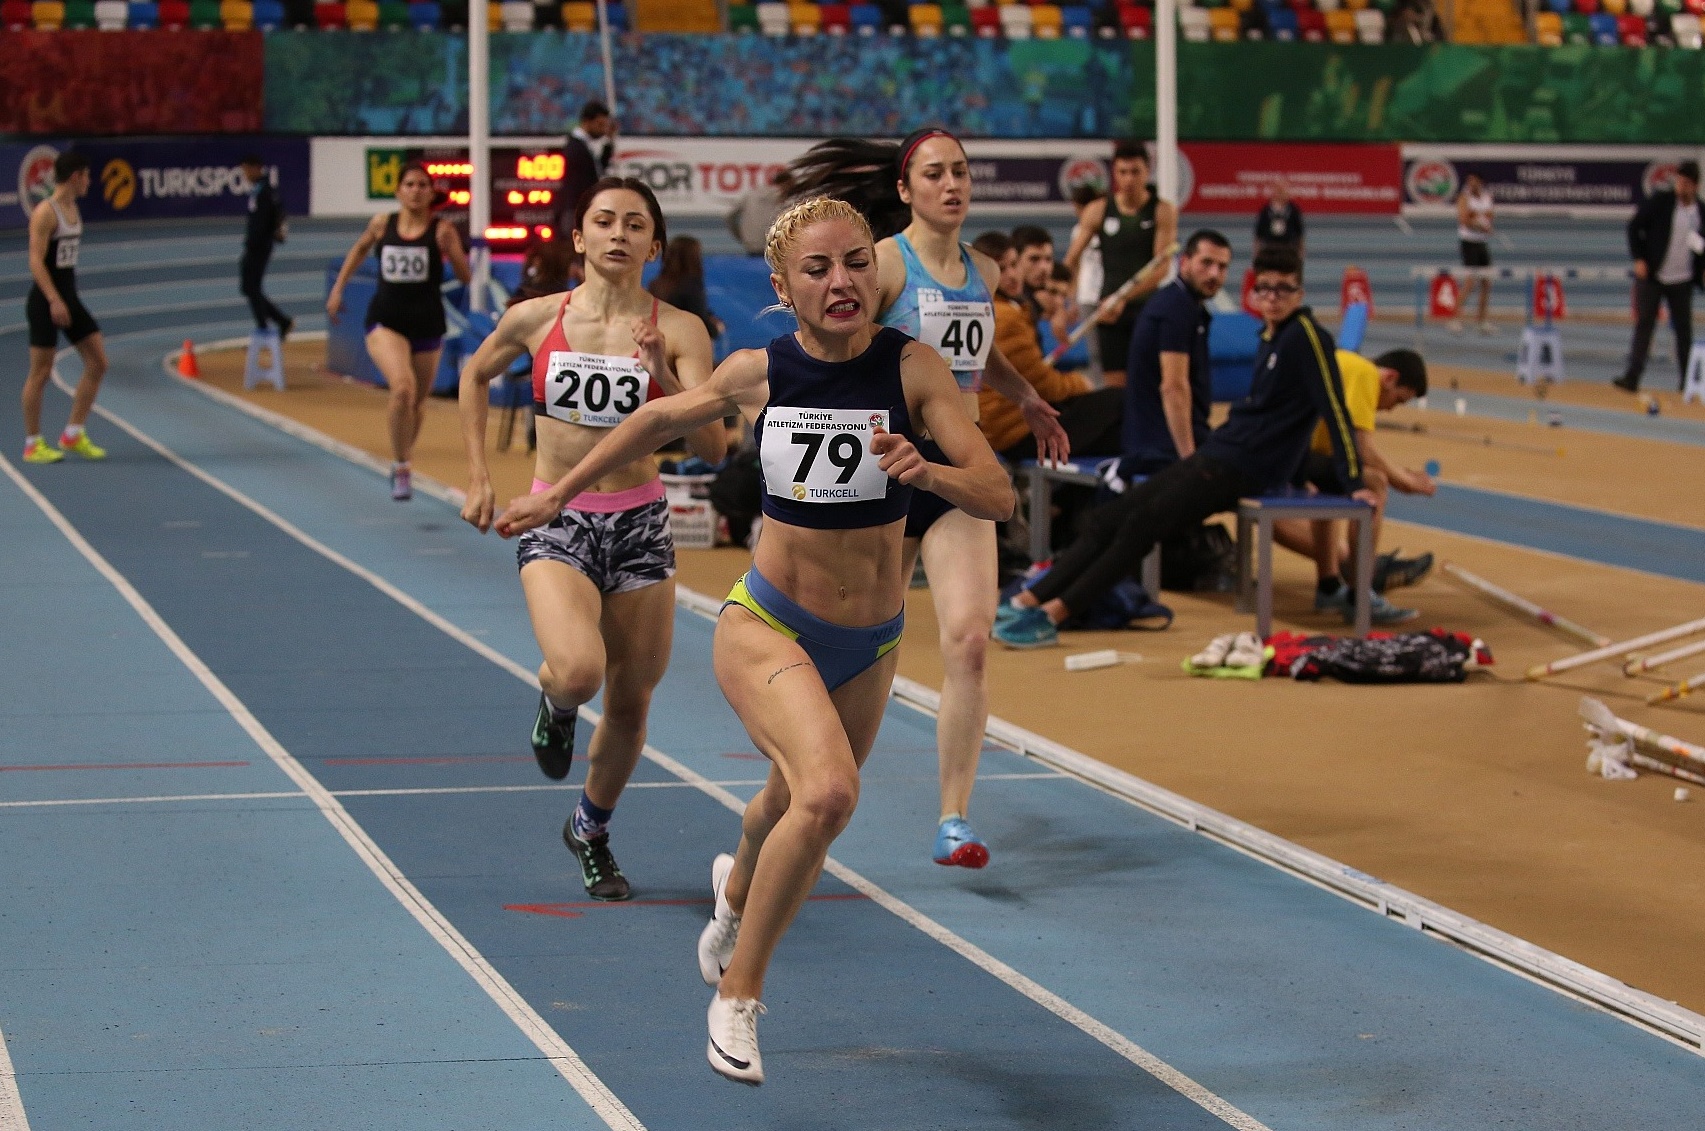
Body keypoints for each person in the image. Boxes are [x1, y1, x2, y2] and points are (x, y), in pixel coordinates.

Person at [491, 197, 1012, 1085]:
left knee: (782, 803)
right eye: (816, 269)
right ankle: (738, 995)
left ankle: (733, 895)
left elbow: (997, 493)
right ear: (782, 286)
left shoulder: (913, 367)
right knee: (829, 793)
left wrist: (927, 468)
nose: (841, 281)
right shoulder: (757, 369)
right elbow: (657, 422)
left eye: (854, 262)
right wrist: (557, 492)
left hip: (872, 639)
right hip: (765, 622)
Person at [787, 128, 1069, 869]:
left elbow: (977, 351)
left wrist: (1026, 396)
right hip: (881, 472)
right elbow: (833, 339)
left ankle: (953, 816)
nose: (953, 185)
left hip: (955, 472)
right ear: (905, 189)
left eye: (962, 172)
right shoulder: (881, 262)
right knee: (845, 650)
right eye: (935, 174)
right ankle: (796, 794)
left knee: (970, 639)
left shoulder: (984, 267)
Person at [459, 178, 725, 902]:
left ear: (653, 245)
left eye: (633, 224)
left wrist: (663, 373)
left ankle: (590, 829)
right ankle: (557, 701)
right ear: (577, 238)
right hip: (558, 518)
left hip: (640, 522)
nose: (617, 233)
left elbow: (715, 444)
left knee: (633, 702)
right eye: (602, 221)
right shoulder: (534, 317)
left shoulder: (680, 328)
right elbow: (473, 373)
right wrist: (480, 476)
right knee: (578, 669)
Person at [995, 244, 1374, 649]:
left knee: (1142, 524)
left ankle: (1053, 615)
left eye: (1284, 290)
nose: (1273, 298)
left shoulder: (1308, 337)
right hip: (1222, 451)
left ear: (1299, 294)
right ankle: (1026, 598)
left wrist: (1352, 483)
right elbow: (1275, 415)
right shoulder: (1269, 336)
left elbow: (1334, 411)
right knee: (1111, 516)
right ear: (1254, 292)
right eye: (1266, 289)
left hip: (1241, 466)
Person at [326, 161, 472, 501]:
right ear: (398, 191)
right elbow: (360, 249)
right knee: (403, 389)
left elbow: (466, 277)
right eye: (410, 184)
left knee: (417, 403)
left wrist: (455, 253)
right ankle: (401, 464)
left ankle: (403, 456)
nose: (416, 190)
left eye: (423, 185)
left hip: (427, 322)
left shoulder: (441, 230)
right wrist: (338, 288)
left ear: (431, 192)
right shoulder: (382, 224)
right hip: (385, 320)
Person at [1271, 348, 1435, 624]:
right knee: (1375, 483)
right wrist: (1403, 481)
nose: (1390, 409)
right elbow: (1363, 448)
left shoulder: (1344, 364)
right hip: (1284, 453)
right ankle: (1361, 594)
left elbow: (1339, 452)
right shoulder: (1366, 374)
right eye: (1397, 399)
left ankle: (1329, 584)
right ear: (1390, 377)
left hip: (1281, 448)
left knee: (1336, 482)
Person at [971, 231, 1121, 464]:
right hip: (1019, 432)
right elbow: (1041, 385)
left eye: (1013, 265)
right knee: (1119, 403)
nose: (1012, 275)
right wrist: (1083, 384)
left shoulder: (1007, 307)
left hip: (1009, 426)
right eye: (1001, 269)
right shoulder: (1005, 315)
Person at [1063, 141, 1177, 388]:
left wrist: (1124, 298)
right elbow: (1070, 260)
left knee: (1148, 383)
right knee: (1114, 386)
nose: (1129, 179)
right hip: (1108, 310)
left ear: (1148, 171)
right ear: (1114, 173)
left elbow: (1161, 268)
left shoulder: (1162, 211)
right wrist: (1063, 304)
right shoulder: (1097, 210)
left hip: (1145, 308)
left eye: (1135, 172)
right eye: (1122, 172)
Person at [1120, 229, 1230, 481]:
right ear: (1185, 262)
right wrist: (1189, 461)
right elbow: (1173, 387)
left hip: (1163, 442)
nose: (1214, 273)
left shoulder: (1186, 305)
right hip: (1162, 449)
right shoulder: (1176, 310)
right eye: (1206, 263)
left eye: (1222, 267)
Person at [21, 150, 107, 464]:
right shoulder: (46, 212)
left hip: (69, 298)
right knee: (40, 372)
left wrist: (65, 299)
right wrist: (54, 299)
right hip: (47, 301)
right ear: (75, 176)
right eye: (87, 175)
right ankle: (33, 443)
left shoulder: (73, 207)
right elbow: (35, 261)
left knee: (98, 362)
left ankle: (73, 433)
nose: (89, 181)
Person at [1615, 159, 1703, 394]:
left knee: (1684, 331)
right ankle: (1632, 377)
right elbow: (1634, 226)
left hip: (1682, 281)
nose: (1680, 187)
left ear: (1695, 185)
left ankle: (1687, 382)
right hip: (1654, 276)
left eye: (1685, 183)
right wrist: (1639, 258)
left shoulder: (1701, 213)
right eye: (1678, 182)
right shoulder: (1661, 202)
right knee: (1645, 324)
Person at [239, 153, 292, 339]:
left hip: (259, 246)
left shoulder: (266, 191)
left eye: (246, 169)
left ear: (256, 168)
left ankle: (265, 327)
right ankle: (281, 321)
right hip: (254, 245)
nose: (244, 174)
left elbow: (278, 214)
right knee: (249, 287)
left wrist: (276, 234)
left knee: (252, 287)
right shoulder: (258, 189)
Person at [552, 100, 617, 244]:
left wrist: (609, 142)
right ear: (587, 122)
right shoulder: (575, 147)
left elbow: (599, 168)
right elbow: (585, 180)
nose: (602, 130)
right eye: (600, 125)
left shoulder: (585, 146)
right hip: (575, 209)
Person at [648, 234, 724, 340]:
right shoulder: (691, 285)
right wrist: (716, 328)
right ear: (693, 258)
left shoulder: (656, 284)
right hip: (685, 342)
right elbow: (700, 320)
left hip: (659, 340)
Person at [1453, 173, 1495, 335]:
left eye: (1474, 181)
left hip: (1482, 243)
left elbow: (1490, 217)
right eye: (1469, 181)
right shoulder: (1464, 198)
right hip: (1468, 243)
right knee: (1470, 283)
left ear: (1480, 182)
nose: (1471, 183)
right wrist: (1478, 222)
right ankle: (1455, 319)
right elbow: (1463, 220)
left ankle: (1481, 321)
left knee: (1486, 282)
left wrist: (1475, 216)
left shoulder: (1486, 197)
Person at [727, 167, 793, 257]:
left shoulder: (751, 194)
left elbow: (728, 215)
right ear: (788, 184)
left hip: (751, 245)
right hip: (774, 247)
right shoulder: (785, 199)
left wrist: (740, 235)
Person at [1254, 179, 1304, 258]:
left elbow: (1300, 234)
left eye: (1284, 190)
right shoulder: (1266, 210)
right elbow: (1258, 235)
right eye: (1279, 190)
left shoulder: (1293, 210)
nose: (1282, 193)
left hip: (1288, 249)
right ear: (1274, 191)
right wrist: (1256, 254)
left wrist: (1301, 253)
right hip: (1269, 250)